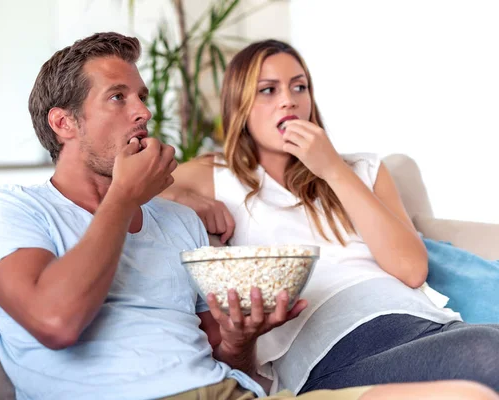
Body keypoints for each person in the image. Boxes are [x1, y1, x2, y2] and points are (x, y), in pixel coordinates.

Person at [0, 32, 498, 400]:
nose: (145, 112)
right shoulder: (10, 208)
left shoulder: (177, 227)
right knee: (486, 353)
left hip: (237, 389)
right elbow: (56, 321)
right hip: (321, 354)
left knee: (467, 391)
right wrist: (128, 198)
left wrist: (241, 339)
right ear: (64, 122)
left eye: (143, 96)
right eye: (118, 97)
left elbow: (227, 357)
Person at [160, 39, 499, 396]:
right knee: (486, 351)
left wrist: (333, 170)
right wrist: (182, 196)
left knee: (486, 344)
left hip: (426, 326)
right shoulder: (213, 175)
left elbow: (411, 269)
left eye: (299, 86)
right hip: (331, 356)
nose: (288, 100)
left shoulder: (363, 169)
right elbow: (132, 188)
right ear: (239, 106)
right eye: (268, 90)